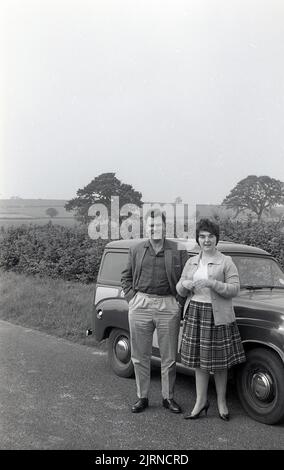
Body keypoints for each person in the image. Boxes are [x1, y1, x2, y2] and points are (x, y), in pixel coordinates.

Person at [176, 218, 246, 421]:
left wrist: (212, 283)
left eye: (210, 236)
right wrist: (187, 284)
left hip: (218, 316)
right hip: (196, 313)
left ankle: (222, 403)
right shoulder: (191, 261)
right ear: (198, 239)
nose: (206, 240)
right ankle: (200, 401)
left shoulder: (226, 261)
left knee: (220, 364)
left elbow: (234, 289)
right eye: (202, 236)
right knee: (199, 362)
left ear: (217, 238)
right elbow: (179, 288)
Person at [121, 209, 188, 413]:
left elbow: (186, 278)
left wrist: (179, 301)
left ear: (165, 227)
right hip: (140, 304)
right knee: (140, 355)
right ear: (146, 227)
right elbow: (125, 276)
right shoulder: (136, 249)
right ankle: (142, 397)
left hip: (168, 305)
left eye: (158, 225)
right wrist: (132, 298)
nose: (154, 229)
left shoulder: (178, 250)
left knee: (169, 356)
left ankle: (168, 398)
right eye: (150, 225)